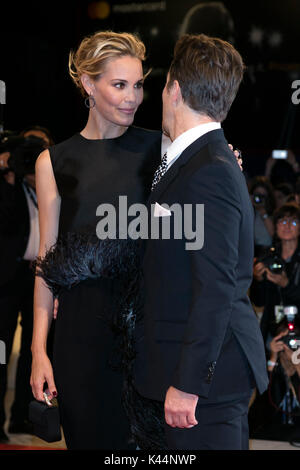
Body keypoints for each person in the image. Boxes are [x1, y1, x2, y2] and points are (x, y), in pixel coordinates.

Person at [132, 33, 268, 450]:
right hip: (194, 369)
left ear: (173, 87)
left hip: (204, 382)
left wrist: (189, 383)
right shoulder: (198, 160)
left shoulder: (209, 169)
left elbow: (217, 286)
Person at [30, 31, 164, 450]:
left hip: (148, 333)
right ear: (89, 84)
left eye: (139, 84)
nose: (133, 97)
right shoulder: (54, 161)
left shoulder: (160, 148)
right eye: (119, 85)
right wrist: (38, 350)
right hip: (81, 340)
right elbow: (46, 262)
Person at [0, 135, 46, 443]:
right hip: (7, 278)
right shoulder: (11, 189)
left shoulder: (42, 190)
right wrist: (10, 174)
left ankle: (20, 418)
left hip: (36, 277)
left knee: (34, 350)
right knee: (2, 351)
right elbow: (6, 218)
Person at [251, 202, 300, 349]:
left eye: (293, 221)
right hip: (272, 329)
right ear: (276, 226)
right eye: (282, 221)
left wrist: (287, 285)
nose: (287, 226)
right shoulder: (268, 257)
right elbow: (258, 301)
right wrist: (257, 279)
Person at [248, 176, 275, 258]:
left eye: (262, 196)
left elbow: (273, 234)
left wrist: (263, 212)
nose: (259, 199)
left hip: (267, 253)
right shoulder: (247, 212)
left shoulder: (273, 213)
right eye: (257, 195)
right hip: (250, 252)